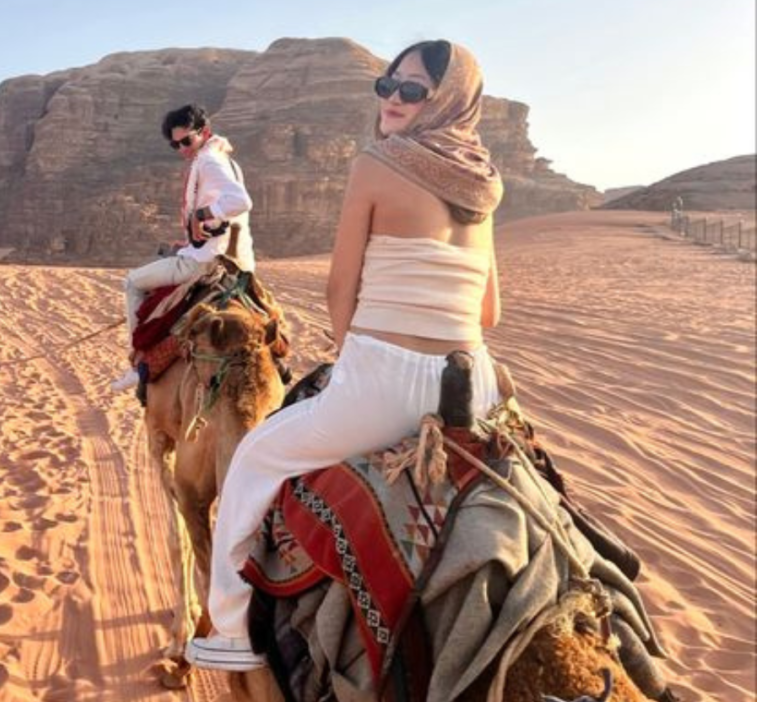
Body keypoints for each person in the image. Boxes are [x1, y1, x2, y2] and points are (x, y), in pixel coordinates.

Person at [186, 40, 505, 671]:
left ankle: (227, 631)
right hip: (475, 383)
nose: (391, 98)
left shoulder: (378, 162)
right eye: (386, 84)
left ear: (443, 99)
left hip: (385, 383)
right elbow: (490, 312)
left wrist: (351, 362)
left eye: (411, 90)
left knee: (253, 458)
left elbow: (341, 288)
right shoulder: (484, 186)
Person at [112, 103, 256, 391]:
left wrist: (201, 216)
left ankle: (140, 361)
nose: (182, 149)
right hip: (235, 260)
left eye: (186, 141)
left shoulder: (208, 162)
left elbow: (241, 201)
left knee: (133, 282)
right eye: (175, 144)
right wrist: (190, 237)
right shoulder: (226, 160)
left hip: (205, 261)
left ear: (204, 132)